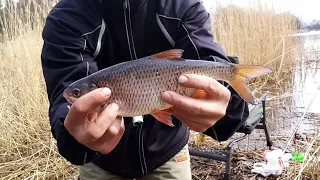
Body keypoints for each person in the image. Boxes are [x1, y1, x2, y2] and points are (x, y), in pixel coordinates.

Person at [40, 0, 249, 179]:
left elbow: (207, 60)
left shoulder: (182, 5)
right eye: (77, 94)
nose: (73, 96)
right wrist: (74, 134)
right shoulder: (67, 16)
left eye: (76, 94)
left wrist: (226, 106)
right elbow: (64, 96)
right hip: (100, 162)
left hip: (168, 151)